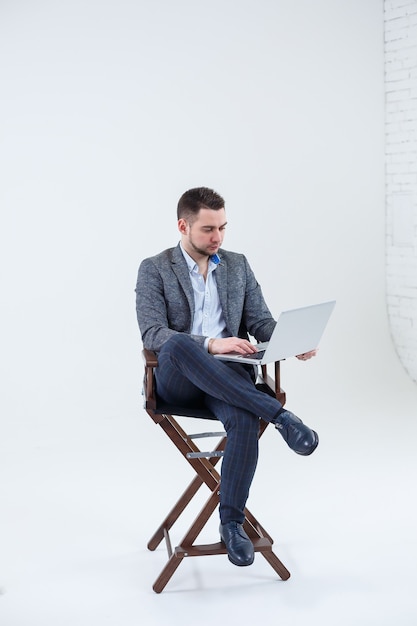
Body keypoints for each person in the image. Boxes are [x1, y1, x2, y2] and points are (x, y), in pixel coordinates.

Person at [135, 186, 318, 568]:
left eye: (222, 228)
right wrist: (213, 345)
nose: (217, 237)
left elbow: (260, 322)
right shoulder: (154, 268)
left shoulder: (238, 265)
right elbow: (153, 333)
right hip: (179, 377)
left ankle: (231, 524)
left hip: (230, 380)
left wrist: (289, 340)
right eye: (207, 229)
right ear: (183, 226)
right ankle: (282, 417)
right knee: (183, 345)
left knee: (244, 419)